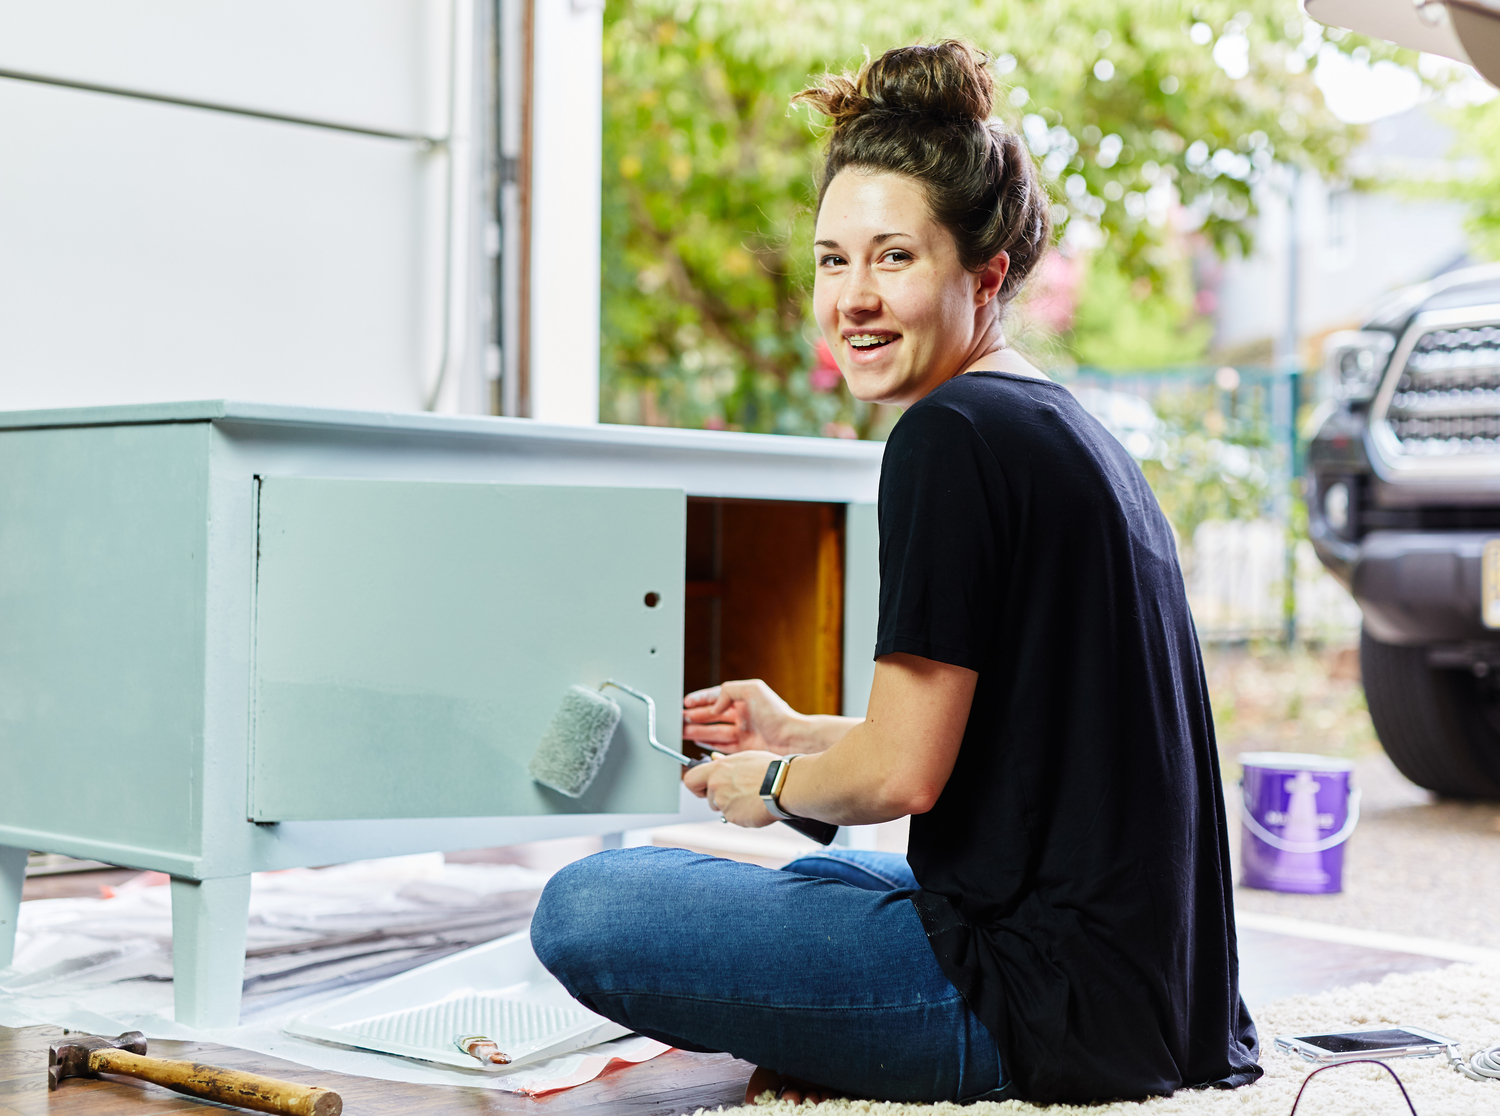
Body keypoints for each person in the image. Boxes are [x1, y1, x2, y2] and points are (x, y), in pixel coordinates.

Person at [530, 40, 1261, 1105]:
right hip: (1162, 1000)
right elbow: (1005, 746)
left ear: (986, 274)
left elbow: (904, 778)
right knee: (828, 871)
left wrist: (767, 784)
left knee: (590, 904)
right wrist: (797, 733)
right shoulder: (1066, 430)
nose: (854, 298)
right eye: (833, 261)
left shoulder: (950, 436)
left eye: (894, 258)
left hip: (1037, 1009)